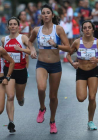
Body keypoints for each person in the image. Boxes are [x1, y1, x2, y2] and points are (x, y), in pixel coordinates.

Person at [28, 4, 70, 134]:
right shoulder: (36, 30)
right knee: (41, 88)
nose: (45, 15)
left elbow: (68, 47)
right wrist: (33, 49)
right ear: (41, 15)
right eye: (43, 13)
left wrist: (56, 45)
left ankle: (52, 121)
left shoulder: (59, 29)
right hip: (42, 64)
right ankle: (42, 108)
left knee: (53, 96)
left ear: (52, 15)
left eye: (48, 12)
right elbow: (30, 42)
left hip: (55, 65)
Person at [66, 20, 98, 130]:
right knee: (81, 98)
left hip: (93, 71)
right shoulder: (77, 42)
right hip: (81, 71)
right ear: (82, 30)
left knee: (92, 97)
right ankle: (90, 119)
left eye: (89, 27)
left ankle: (90, 121)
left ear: (93, 30)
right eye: (85, 28)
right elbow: (68, 55)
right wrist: (73, 63)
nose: (87, 30)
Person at [1, 17, 31, 133]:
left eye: (15, 24)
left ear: (18, 26)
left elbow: (31, 50)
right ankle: (11, 122)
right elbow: (2, 54)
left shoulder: (22, 37)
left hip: (21, 71)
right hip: (8, 70)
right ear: (8, 27)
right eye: (11, 24)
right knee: (10, 96)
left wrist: (20, 49)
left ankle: (21, 98)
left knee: (18, 97)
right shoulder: (4, 39)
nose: (13, 26)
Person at [18, 11, 32, 77]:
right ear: (20, 16)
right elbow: (16, 33)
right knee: (20, 56)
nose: (23, 16)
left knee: (26, 55)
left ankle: (26, 70)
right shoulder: (18, 24)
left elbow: (30, 32)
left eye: (24, 15)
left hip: (27, 42)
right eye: (22, 15)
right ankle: (19, 69)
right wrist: (22, 28)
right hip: (19, 42)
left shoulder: (28, 23)